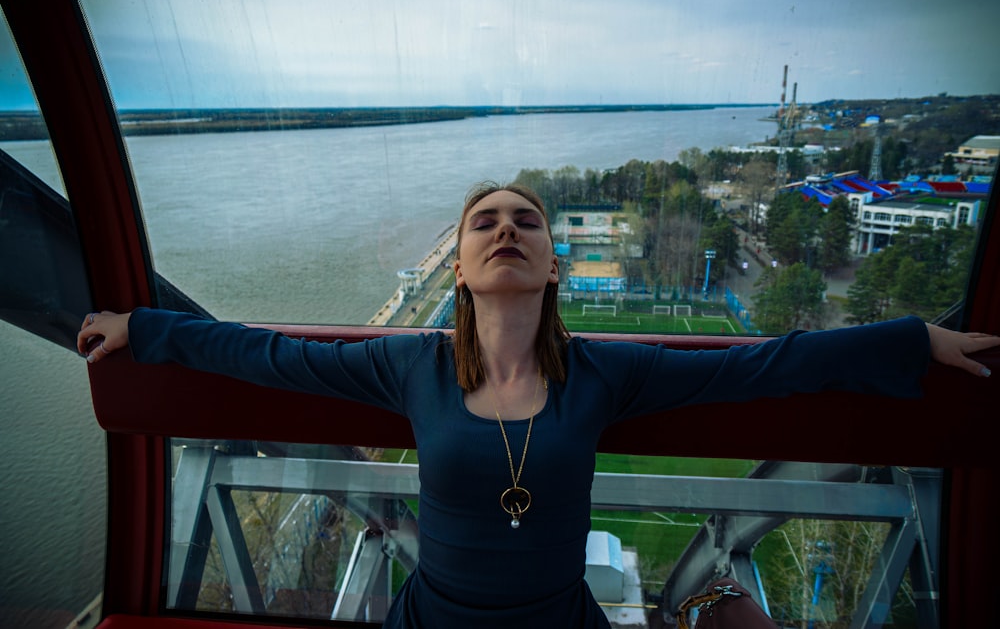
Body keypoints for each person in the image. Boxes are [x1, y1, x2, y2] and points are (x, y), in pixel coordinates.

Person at [79, 182, 997, 628]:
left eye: (526, 221)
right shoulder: (412, 368)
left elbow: (765, 366)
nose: (506, 229)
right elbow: (265, 354)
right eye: (485, 221)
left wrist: (910, 339)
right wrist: (145, 328)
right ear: (463, 265)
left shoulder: (606, 371)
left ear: (552, 264)